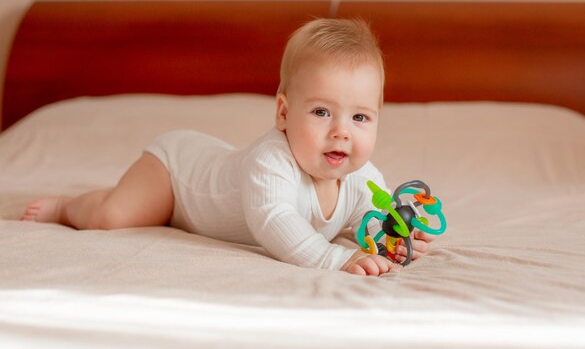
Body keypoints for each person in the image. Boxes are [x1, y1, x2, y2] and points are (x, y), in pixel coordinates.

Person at [21, 18, 433, 276]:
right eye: (322, 112)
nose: (342, 132)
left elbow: (367, 214)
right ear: (284, 114)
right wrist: (335, 259)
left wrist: (393, 234)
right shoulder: (271, 161)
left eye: (360, 118)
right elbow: (276, 222)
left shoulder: (362, 175)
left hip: (209, 169)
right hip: (177, 177)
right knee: (113, 216)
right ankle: (67, 206)